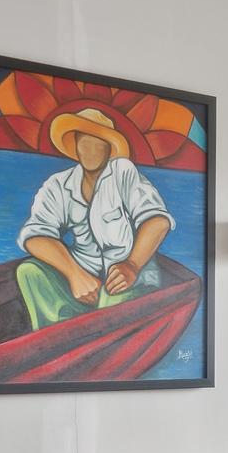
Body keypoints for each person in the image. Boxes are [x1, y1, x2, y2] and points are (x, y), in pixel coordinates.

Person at [15, 108, 172, 331]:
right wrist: (74, 274)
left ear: (109, 148)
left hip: (127, 274)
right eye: (84, 143)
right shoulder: (58, 184)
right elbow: (35, 235)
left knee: (112, 298)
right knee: (28, 271)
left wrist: (132, 265)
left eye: (98, 143)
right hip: (82, 276)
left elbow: (157, 221)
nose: (90, 150)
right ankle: (58, 337)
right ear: (75, 146)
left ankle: (94, 341)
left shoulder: (122, 172)